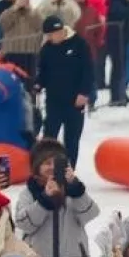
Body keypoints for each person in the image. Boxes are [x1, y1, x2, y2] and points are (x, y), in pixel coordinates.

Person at [35, 16, 96, 167]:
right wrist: (38, 84)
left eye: (52, 34)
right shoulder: (46, 49)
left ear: (61, 31)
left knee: (72, 139)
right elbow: (43, 72)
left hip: (75, 101)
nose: (50, 38)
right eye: (48, 35)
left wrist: (84, 92)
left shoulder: (79, 44)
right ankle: (46, 169)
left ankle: (69, 170)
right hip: (54, 100)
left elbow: (88, 70)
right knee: (49, 138)